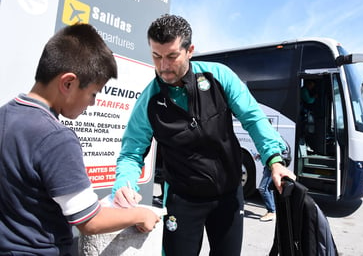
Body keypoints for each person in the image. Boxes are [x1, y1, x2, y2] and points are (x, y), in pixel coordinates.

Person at [112, 14, 296, 256]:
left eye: (171, 56)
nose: (163, 66)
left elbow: (253, 117)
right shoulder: (149, 100)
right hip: (182, 200)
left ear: (190, 51)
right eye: (156, 56)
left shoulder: (218, 76)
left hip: (228, 196)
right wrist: (123, 185)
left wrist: (274, 160)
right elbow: (131, 153)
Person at [0, 23, 161, 255]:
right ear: (68, 83)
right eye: (93, 93)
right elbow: (89, 221)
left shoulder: (5, 113)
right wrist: (140, 214)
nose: (93, 103)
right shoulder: (56, 138)